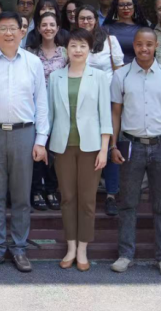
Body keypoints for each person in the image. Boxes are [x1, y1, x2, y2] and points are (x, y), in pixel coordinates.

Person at [0, 12, 49, 273]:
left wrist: (41, 140)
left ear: (21, 31)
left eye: (13, 28)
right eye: (2, 28)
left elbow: (42, 104)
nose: (8, 33)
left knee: (20, 196)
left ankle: (19, 249)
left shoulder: (33, 62)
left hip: (24, 134)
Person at [109, 27, 161, 278]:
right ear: (134, 45)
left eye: (149, 44)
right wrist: (112, 145)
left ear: (156, 46)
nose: (144, 49)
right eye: (140, 44)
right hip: (131, 145)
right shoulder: (121, 75)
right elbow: (116, 113)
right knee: (127, 203)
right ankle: (125, 254)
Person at [47, 28, 113, 272]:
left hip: (91, 147)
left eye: (82, 46)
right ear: (66, 49)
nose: (77, 50)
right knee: (67, 198)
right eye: (73, 45)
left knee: (87, 200)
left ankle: (83, 249)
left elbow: (105, 115)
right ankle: (71, 247)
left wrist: (104, 149)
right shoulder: (55, 77)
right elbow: (49, 114)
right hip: (62, 146)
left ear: (89, 49)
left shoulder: (99, 77)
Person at [76, 4, 124, 215]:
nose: (85, 22)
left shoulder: (110, 41)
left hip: (108, 101)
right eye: (81, 18)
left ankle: (111, 194)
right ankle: (86, 193)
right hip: (81, 102)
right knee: (85, 148)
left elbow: (119, 70)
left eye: (89, 18)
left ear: (96, 20)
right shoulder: (73, 40)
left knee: (111, 145)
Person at [27, 11, 66, 211]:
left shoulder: (66, 53)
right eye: (44, 24)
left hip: (60, 109)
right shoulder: (30, 53)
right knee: (36, 148)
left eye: (52, 24)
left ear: (58, 28)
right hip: (34, 109)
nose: (48, 28)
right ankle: (36, 189)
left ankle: (51, 188)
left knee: (54, 151)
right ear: (39, 28)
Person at [104, 0, 150, 65]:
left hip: (137, 71)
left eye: (129, 4)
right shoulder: (106, 29)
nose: (126, 8)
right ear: (116, 8)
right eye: (121, 5)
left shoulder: (143, 29)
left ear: (134, 6)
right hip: (112, 71)